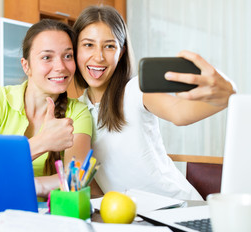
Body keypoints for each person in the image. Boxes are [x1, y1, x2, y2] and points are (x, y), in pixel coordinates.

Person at [73, 6, 235, 200]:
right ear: (75, 50)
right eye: (88, 45)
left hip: (177, 205)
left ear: (121, 52)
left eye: (109, 46)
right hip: (132, 217)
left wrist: (227, 94)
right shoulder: (77, 109)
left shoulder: (135, 90)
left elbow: (179, 113)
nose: (98, 57)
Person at [0, 19, 92, 198]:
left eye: (68, 56)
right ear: (26, 66)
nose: (61, 67)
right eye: (47, 57)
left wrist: (34, 186)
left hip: (48, 214)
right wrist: (42, 142)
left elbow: (76, 177)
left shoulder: (78, 112)